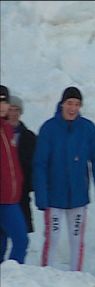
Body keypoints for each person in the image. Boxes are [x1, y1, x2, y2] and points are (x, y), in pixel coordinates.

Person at [34, 86, 95, 271]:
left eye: (76, 104)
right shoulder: (49, 128)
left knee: (76, 240)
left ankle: (77, 276)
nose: (72, 108)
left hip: (78, 197)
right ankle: (45, 276)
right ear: (62, 104)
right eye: (69, 103)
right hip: (54, 198)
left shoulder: (87, 128)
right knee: (53, 238)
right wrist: (41, 196)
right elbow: (39, 164)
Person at [0, 85, 29, 263]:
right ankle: (13, 279)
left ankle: (7, 285)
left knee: (3, 243)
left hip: (11, 197)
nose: (2, 106)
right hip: (3, 199)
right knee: (21, 240)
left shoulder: (7, 128)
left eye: (5, 101)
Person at [6, 96, 37, 234]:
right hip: (3, 194)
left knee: (21, 237)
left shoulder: (29, 137)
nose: (13, 113)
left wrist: (30, 185)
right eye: (10, 109)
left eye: (17, 110)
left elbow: (35, 164)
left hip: (22, 194)